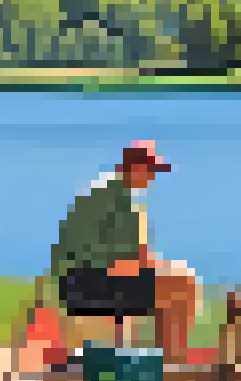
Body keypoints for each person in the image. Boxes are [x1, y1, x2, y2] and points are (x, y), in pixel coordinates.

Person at [39, 141, 199, 363]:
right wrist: (170, 270)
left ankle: (164, 361)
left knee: (170, 283)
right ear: (135, 168)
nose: (152, 178)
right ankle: (172, 364)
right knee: (183, 285)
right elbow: (136, 261)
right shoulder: (125, 201)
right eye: (151, 171)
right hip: (88, 290)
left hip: (71, 286)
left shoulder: (102, 189)